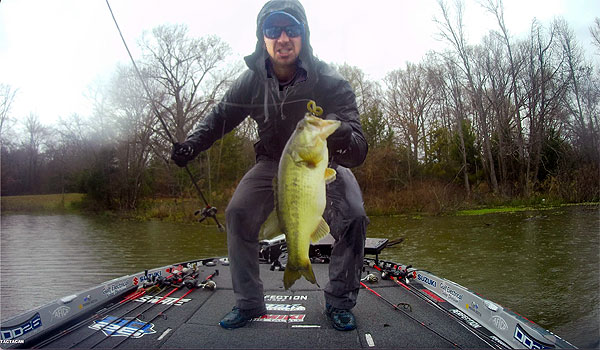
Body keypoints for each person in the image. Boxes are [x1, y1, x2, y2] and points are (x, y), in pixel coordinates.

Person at [171, 0, 368, 331]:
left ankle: (338, 302)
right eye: (273, 30)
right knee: (238, 212)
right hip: (271, 163)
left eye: (292, 29)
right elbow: (219, 118)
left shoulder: (330, 81)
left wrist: (342, 132)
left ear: (304, 36)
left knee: (354, 215)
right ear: (262, 37)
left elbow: (358, 150)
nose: (283, 38)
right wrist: (192, 145)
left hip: (319, 163)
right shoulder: (250, 81)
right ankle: (249, 303)